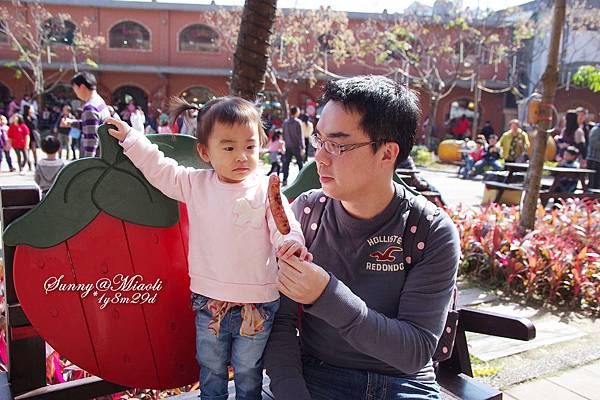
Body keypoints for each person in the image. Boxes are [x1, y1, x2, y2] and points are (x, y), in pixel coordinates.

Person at [264, 75, 459, 400]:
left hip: (404, 384)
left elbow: (414, 352)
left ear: (387, 154)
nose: (321, 158)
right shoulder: (306, 215)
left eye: (338, 145)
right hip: (317, 375)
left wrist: (325, 294)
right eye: (320, 141)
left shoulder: (429, 231)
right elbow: (280, 326)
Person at [105, 95, 311, 400]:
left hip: (257, 302)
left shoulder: (265, 188)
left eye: (250, 146)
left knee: (248, 369)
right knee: (211, 367)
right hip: (209, 300)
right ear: (205, 152)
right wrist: (132, 139)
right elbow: (161, 169)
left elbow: (285, 225)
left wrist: (292, 243)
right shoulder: (195, 184)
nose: (242, 156)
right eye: (229, 148)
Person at [69, 72, 110, 157]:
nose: (75, 93)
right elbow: (92, 127)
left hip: (97, 157)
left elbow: (92, 138)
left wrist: (88, 164)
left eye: (75, 89)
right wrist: (71, 123)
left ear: (82, 87)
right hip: (105, 153)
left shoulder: (90, 108)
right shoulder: (99, 101)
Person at [281, 106, 305, 186]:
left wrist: (284, 144)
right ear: (296, 112)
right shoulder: (298, 122)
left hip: (288, 146)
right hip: (296, 146)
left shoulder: (285, 122)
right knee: (300, 164)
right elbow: (300, 136)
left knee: (286, 164)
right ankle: (302, 180)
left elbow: (283, 135)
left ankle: (284, 180)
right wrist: (303, 147)